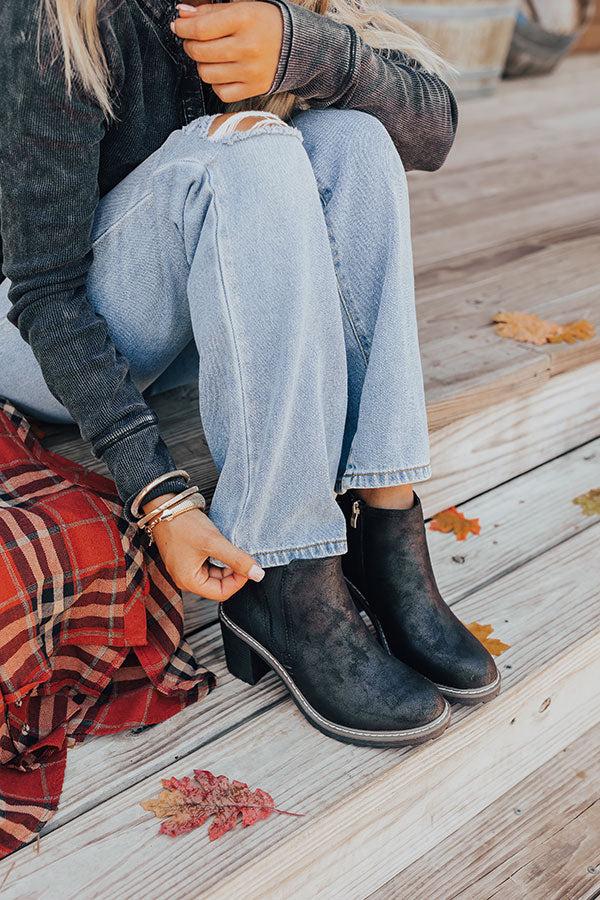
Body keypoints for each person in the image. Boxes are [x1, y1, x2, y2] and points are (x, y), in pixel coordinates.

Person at [0, 0, 500, 749]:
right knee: (245, 148)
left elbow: (429, 135)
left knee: (355, 140)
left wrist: (309, 47)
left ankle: (384, 520)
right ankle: (285, 566)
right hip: (38, 340)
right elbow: (44, 292)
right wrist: (161, 497)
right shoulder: (55, 15)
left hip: (190, 321)